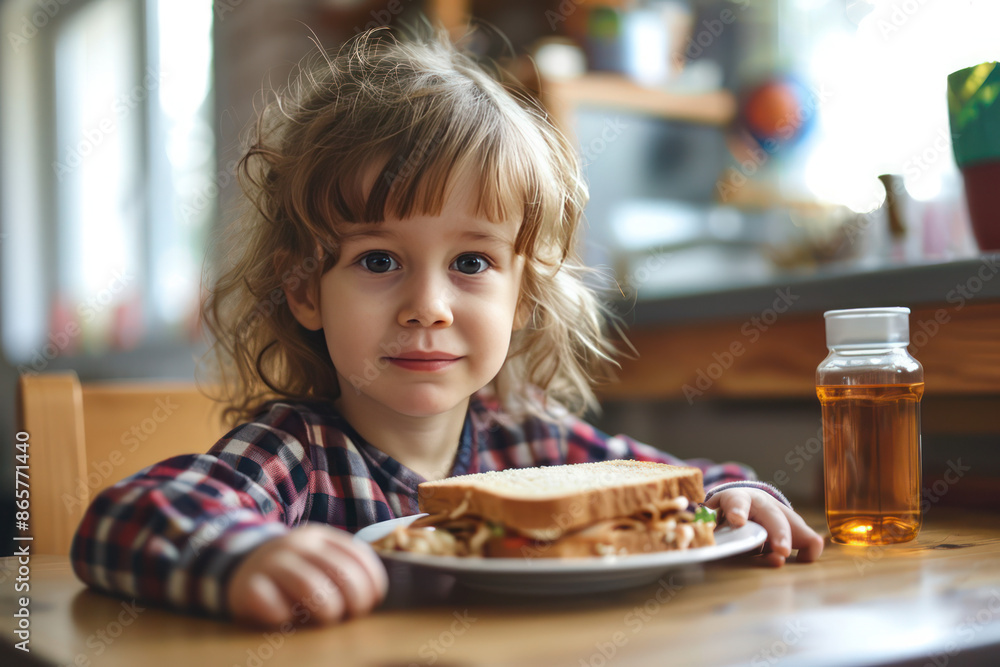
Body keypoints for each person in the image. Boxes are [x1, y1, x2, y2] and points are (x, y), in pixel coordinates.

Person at [71, 26, 824, 629]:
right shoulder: (298, 451)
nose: (426, 306)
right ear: (305, 291)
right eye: (376, 261)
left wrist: (740, 493)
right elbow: (121, 520)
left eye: (470, 260)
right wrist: (239, 556)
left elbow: (668, 488)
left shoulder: (534, 444)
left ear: (523, 296)